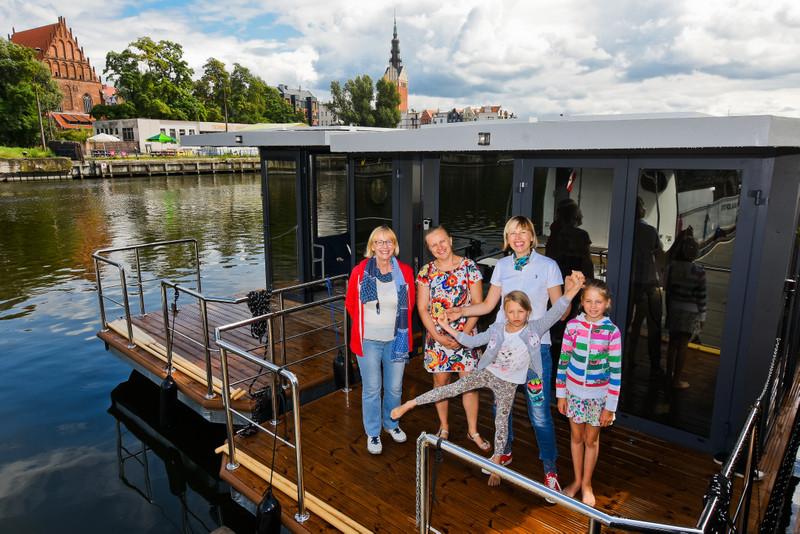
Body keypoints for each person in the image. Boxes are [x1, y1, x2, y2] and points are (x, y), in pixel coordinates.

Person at [392, 272, 585, 487]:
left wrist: (574, 289)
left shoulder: (535, 329)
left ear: (528, 312)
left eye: (521, 311)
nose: (516, 315)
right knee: (451, 388)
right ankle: (410, 404)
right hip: (487, 373)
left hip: (508, 384)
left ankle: (496, 465)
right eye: (511, 311)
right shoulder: (496, 330)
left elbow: (557, 310)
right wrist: (447, 328)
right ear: (505, 312)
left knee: (501, 423)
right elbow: (472, 341)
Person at [447, 215, 568, 497]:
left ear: (532, 237)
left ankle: (550, 470)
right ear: (507, 238)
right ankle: (504, 453)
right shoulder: (501, 265)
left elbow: (561, 312)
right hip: (503, 352)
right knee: (501, 409)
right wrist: (461, 312)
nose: (518, 237)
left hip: (536, 352)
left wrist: (571, 292)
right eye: (512, 232)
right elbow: (490, 304)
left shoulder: (548, 266)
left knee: (539, 416)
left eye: (523, 232)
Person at [345, 226, 416, 455]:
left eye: (389, 242)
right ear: (372, 246)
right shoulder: (359, 272)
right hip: (368, 340)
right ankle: (373, 433)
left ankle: (392, 424)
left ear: (394, 246)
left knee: (394, 387)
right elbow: (351, 305)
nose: (384, 246)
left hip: (396, 339)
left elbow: (411, 304)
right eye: (379, 242)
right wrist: (370, 326)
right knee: (372, 388)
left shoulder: (405, 271)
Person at [416, 226, 487, 449]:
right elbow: (422, 308)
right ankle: (444, 426)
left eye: (442, 241)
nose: (440, 247)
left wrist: (463, 335)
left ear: (451, 240)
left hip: (466, 334)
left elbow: (478, 305)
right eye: (434, 245)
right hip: (438, 339)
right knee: (441, 382)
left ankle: (473, 430)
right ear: (429, 249)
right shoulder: (425, 272)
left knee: (469, 385)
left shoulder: (469, 267)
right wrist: (437, 336)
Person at [556, 279, 621, 507]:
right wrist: (561, 394)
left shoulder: (612, 332)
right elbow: (563, 361)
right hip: (573, 394)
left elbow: (615, 371)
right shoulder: (572, 326)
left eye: (599, 302)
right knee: (576, 438)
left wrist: (610, 407)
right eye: (589, 301)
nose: (593, 306)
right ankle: (576, 480)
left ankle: (586, 484)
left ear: (607, 303)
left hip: (598, 397)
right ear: (581, 302)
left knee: (591, 441)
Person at [626, 196, 664, 378]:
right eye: (642, 203)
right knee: (654, 327)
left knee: (629, 324)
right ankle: (655, 366)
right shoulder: (649, 231)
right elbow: (662, 258)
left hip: (630, 283)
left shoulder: (625, 229)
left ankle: (627, 357)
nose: (645, 206)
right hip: (648, 284)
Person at [665, 235, 706, 389]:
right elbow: (701, 297)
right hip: (690, 313)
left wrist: (668, 311)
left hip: (674, 310)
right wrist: (702, 317)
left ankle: (668, 377)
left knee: (672, 346)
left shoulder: (671, 268)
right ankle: (676, 381)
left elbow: (667, 292)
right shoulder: (699, 271)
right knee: (683, 346)